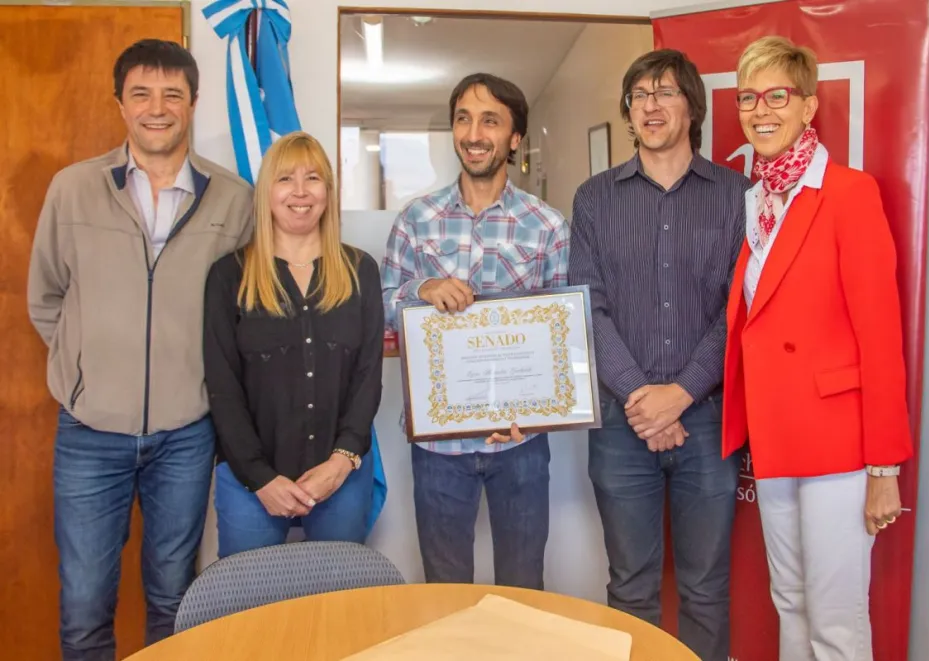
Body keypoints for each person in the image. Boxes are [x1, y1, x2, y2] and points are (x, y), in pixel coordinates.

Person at [26, 39, 253, 660]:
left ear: (194, 104)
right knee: (83, 608)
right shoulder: (72, 189)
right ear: (120, 103)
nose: (158, 109)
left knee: (174, 602)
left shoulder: (234, 199)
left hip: (186, 433)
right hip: (89, 430)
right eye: (142, 94)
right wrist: (83, 373)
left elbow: (245, 310)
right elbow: (46, 297)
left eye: (172, 95)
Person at [723, 36, 913, 661]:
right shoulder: (757, 199)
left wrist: (884, 468)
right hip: (775, 438)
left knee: (835, 620)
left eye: (777, 95)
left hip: (838, 443)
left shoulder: (850, 192)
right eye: (748, 97)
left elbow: (881, 336)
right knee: (791, 601)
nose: (760, 110)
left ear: (808, 107)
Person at [568, 50, 750, 661]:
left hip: (706, 421)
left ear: (692, 106)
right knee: (631, 587)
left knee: (704, 587)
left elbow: (740, 311)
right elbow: (588, 310)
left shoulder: (738, 196)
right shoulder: (594, 199)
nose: (650, 105)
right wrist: (643, 399)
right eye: (639, 95)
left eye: (665, 92)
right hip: (623, 426)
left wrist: (681, 395)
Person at [381, 73, 569, 589]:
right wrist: (421, 289)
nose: (473, 132)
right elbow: (381, 304)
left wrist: (534, 411)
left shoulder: (548, 226)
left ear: (514, 138)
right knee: (444, 591)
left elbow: (562, 335)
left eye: (490, 120)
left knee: (523, 588)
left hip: (520, 444)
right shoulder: (415, 220)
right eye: (463, 118)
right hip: (439, 446)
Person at [203, 131, 384, 558]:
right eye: (285, 179)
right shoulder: (229, 276)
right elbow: (222, 387)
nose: (300, 192)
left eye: (313, 178)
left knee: (338, 610)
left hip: (342, 476)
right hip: (252, 483)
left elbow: (367, 376)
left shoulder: (361, 271)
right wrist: (259, 478)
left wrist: (341, 462)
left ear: (328, 192)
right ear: (267, 191)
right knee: (250, 615)